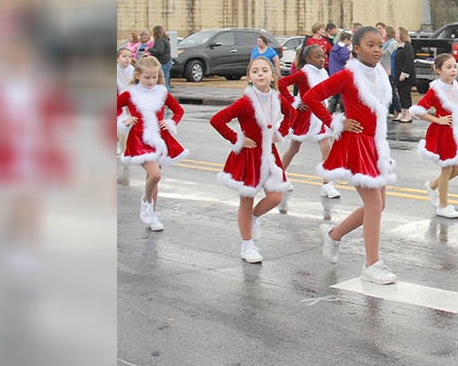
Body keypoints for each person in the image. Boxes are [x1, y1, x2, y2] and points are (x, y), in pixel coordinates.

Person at [307, 26, 399, 284]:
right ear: (356, 49)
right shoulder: (348, 75)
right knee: (373, 205)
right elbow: (312, 96)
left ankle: (333, 235)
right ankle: (371, 265)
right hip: (356, 144)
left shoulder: (380, 73)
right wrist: (335, 122)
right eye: (370, 45)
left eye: (380, 45)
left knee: (380, 205)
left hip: (376, 145)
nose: (377, 50)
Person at [209, 57, 295, 263]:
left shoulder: (276, 98)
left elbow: (291, 113)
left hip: (269, 155)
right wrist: (237, 138)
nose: (260, 74)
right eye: (255, 71)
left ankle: (254, 218)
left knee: (275, 197)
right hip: (248, 155)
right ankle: (247, 246)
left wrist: (280, 132)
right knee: (246, 200)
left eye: (264, 70)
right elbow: (217, 120)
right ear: (249, 77)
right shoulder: (245, 102)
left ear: (273, 75)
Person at [117, 56, 188, 232]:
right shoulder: (130, 93)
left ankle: (152, 215)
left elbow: (179, 110)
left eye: (154, 77)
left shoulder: (161, 92)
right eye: (147, 77)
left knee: (153, 179)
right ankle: (146, 202)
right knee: (155, 175)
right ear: (138, 75)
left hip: (159, 140)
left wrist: (171, 123)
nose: (151, 81)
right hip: (139, 140)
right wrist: (124, 120)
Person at [278, 45, 341, 200]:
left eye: (323, 56)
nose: (322, 60)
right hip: (305, 116)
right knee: (294, 147)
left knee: (326, 146)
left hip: (319, 115)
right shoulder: (303, 74)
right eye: (317, 57)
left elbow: (326, 90)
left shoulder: (323, 72)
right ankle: (279, 175)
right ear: (308, 59)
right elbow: (282, 84)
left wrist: (325, 103)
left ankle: (327, 183)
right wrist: (294, 101)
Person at [412, 53, 458, 218]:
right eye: (448, 67)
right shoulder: (435, 89)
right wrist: (437, 119)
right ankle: (443, 206)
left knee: (457, 170)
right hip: (442, 132)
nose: (453, 70)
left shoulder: (456, 86)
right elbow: (419, 111)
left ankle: (431, 185)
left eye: (455, 67)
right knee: (447, 168)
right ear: (438, 70)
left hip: (455, 132)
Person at [393, 27, 416, 122]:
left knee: (406, 95)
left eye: (397, 33)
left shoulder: (407, 47)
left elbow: (409, 62)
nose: (395, 35)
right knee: (401, 95)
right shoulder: (397, 47)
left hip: (406, 77)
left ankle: (408, 115)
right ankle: (403, 114)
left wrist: (404, 74)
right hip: (397, 75)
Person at [116, 48, 137, 156]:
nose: (128, 59)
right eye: (124, 56)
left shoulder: (132, 70)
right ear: (117, 58)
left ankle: (125, 151)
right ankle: (124, 151)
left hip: (128, 104)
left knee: (126, 127)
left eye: (129, 56)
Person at [380, 26, 400, 117]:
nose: (382, 33)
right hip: (383, 70)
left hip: (388, 70)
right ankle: (391, 111)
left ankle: (399, 110)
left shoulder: (392, 43)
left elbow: (394, 57)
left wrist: (390, 69)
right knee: (386, 91)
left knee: (391, 90)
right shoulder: (384, 44)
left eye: (383, 31)